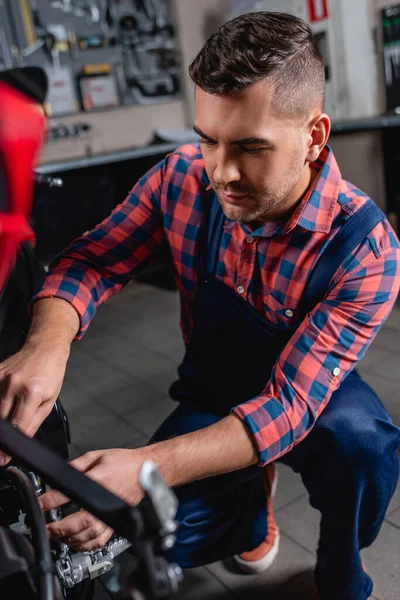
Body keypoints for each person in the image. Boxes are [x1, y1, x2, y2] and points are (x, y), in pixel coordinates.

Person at [0, 12, 399, 600]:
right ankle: (250, 512)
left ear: (314, 137)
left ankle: (342, 570)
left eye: (250, 147)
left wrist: (147, 467)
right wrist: (46, 343)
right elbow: (94, 261)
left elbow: (289, 404)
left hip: (309, 402)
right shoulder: (182, 178)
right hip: (217, 391)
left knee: (363, 445)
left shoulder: (366, 248)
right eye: (208, 138)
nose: (222, 171)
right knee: (142, 533)